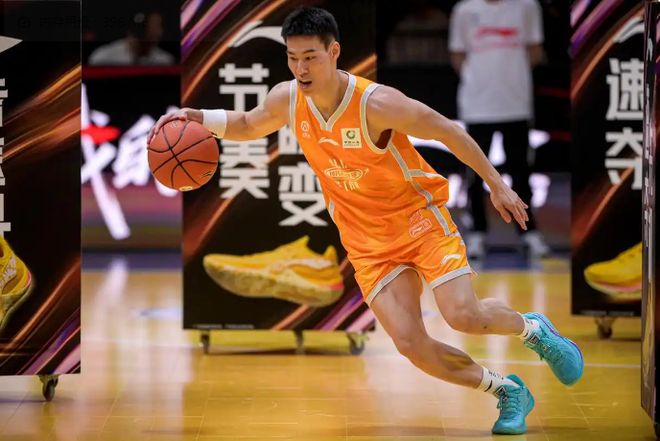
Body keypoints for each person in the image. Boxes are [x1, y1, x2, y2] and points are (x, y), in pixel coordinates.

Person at [148, 7, 582, 435]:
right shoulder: (288, 98)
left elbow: (447, 130)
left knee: (464, 315)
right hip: (367, 242)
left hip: (418, 221)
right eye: (293, 57)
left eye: (310, 57)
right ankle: (507, 390)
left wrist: (497, 185)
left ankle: (533, 331)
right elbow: (247, 123)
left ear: (334, 51)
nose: (301, 68)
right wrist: (197, 117)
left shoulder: (377, 104)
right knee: (412, 345)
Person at [449, 0, 550, 259]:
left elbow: (535, 51)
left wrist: (511, 76)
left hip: (516, 104)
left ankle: (528, 232)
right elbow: (458, 55)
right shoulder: (464, 10)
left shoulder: (527, 6)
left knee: (520, 170)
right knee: (474, 171)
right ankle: (477, 233)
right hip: (477, 106)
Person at [88, 11, 175, 66]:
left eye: (159, 26)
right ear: (137, 30)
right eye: (153, 27)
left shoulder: (164, 61)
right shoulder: (103, 58)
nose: (158, 32)